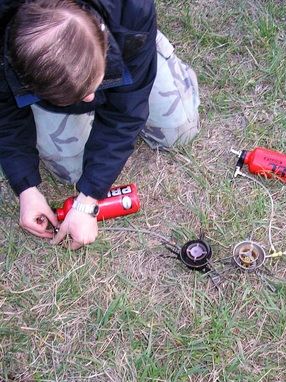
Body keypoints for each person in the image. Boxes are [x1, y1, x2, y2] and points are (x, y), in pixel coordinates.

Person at [0, 0, 200, 250]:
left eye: (91, 84)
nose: (90, 100)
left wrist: (87, 201)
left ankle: (148, 48)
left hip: (126, 38)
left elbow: (127, 112)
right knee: (70, 171)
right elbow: (4, 116)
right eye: (81, 93)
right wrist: (26, 188)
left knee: (179, 131)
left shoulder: (132, 9)